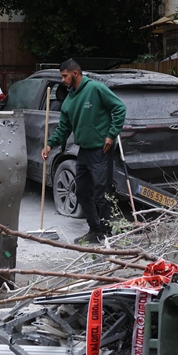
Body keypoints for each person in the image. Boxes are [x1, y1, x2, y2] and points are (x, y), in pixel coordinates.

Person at [42, 59, 126, 244]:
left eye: (65, 76)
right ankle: (94, 231)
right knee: (81, 192)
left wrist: (111, 135)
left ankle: (106, 233)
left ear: (75, 74)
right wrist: (50, 144)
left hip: (100, 150)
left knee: (101, 193)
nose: (62, 80)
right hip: (84, 152)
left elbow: (119, 108)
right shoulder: (69, 101)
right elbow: (63, 128)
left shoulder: (96, 89)